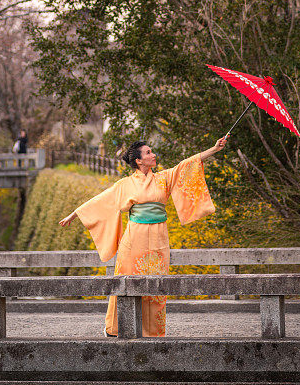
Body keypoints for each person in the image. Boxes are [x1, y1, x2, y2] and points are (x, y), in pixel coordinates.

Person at [59, 136, 228, 337]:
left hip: (159, 238)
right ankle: (115, 327)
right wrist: (74, 213)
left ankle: (153, 331)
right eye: (148, 153)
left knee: (156, 285)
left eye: (151, 151)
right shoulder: (125, 184)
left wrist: (214, 149)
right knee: (126, 281)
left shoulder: (164, 178)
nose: (153, 155)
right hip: (134, 239)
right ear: (138, 161)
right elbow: (101, 200)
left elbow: (187, 164)